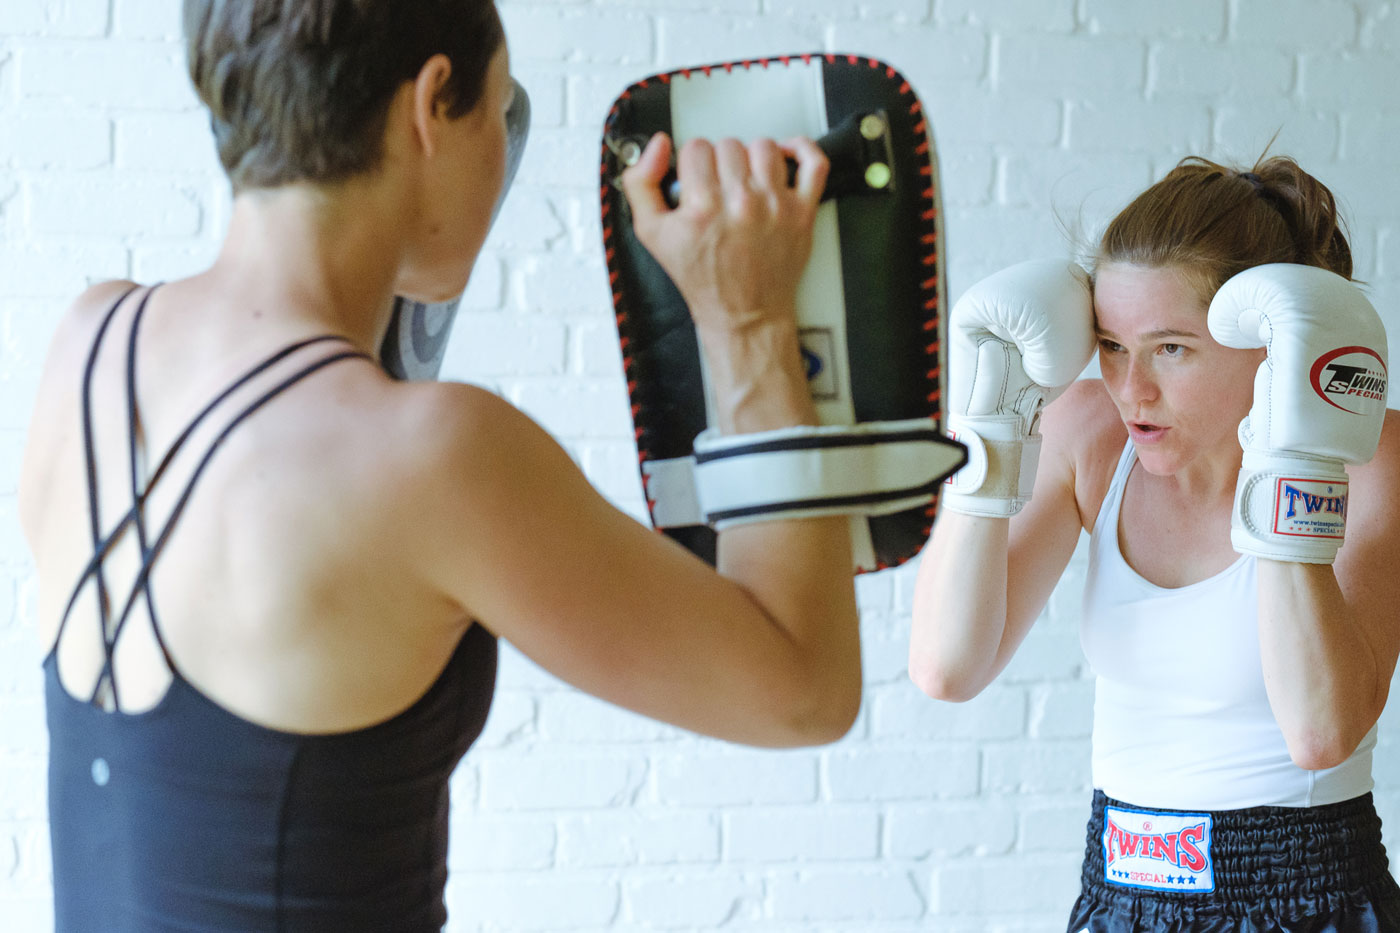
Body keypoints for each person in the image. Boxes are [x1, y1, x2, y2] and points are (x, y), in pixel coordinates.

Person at [16, 1, 861, 929]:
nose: (503, 146)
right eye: (498, 112)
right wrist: (747, 319)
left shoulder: (90, 344)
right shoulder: (429, 455)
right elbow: (800, 693)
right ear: (430, 106)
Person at [909, 154, 1400, 932]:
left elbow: (1321, 730)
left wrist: (1290, 460)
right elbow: (947, 667)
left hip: (1309, 899)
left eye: (1170, 347)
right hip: (1116, 897)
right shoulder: (1090, 436)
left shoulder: (1371, 458)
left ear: (1268, 338)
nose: (1131, 388)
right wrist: (988, 429)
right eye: (1110, 344)